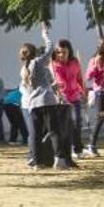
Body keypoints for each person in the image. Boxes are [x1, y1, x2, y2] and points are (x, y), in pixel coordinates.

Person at [20, 25, 73, 170]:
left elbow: (50, 82)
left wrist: (58, 92)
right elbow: (50, 48)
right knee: (54, 130)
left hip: (33, 104)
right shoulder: (37, 62)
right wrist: (45, 34)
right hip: (46, 101)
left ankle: (37, 162)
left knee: (36, 134)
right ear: (34, 53)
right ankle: (60, 160)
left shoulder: (25, 69)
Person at [51, 39, 85, 157]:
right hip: (62, 99)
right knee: (65, 125)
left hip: (75, 96)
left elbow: (80, 78)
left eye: (64, 52)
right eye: (58, 52)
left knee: (77, 122)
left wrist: (83, 91)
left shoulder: (75, 62)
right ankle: (67, 147)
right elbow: (60, 81)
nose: (61, 55)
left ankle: (78, 148)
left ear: (69, 51)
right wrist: (62, 96)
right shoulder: (54, 64)